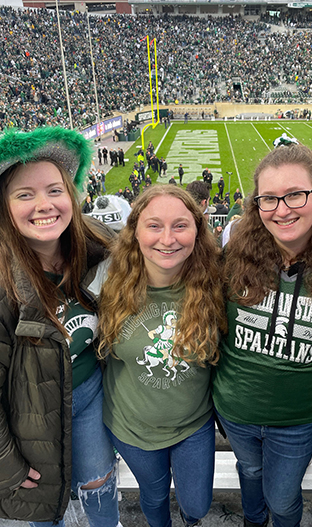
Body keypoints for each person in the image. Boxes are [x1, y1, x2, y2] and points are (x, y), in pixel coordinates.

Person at [212, 144, 312, 527]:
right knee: (250, 473)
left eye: (295, 195)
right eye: (268, 199)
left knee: (284, 500)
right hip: (235, 410)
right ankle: (253, 521)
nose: (282, 209)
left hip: (297, 419)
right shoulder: (234, 255)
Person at [0, 127, 121, 527]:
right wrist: (9, 466)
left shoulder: (97, 247)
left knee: (100, 491)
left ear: (72, 195)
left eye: (54, 190)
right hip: (30, 417)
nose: (44, 205)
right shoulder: (3, 283)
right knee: (46, 509)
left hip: (88, 396)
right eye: (24, 194)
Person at [97, 185, 227, 527]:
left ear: (198, 231)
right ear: (134, 231)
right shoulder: (106, 283)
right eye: (154, 225)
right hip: (131, 427)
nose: (167, 239)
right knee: (153, 497)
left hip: (193, 425)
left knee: (197, 506)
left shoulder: (218, 283)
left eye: (180, 226)